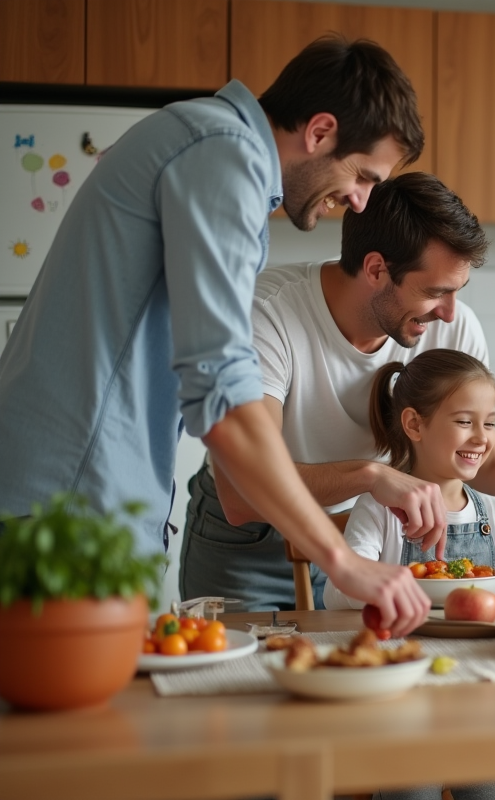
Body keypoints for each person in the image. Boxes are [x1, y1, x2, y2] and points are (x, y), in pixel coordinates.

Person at [0, 35, 434, 637]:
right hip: (71, 508)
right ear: (320, 130)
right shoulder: (224, 155)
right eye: (362, 175)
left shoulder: (205, 140)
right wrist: (342, 561)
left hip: (75, 501)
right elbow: (224, 393)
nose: (360, 201)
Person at [181, 173, 495, 611]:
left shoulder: (451, 325)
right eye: (436, 291)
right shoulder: (266, 316)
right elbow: (243, 492)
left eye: (457, 292)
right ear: (377, 269)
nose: (450, 312)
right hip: (254, 545)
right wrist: (372, 476)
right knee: (237, 676)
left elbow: (487, 453)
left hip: (380, 533)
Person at [325, 349, 495, 610]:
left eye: (490, 424)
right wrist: (386, 586)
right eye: (464, 421)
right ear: (414, 424)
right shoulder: (379, 508)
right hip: (399, 645)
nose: (482, 438)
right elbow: (337, 592)